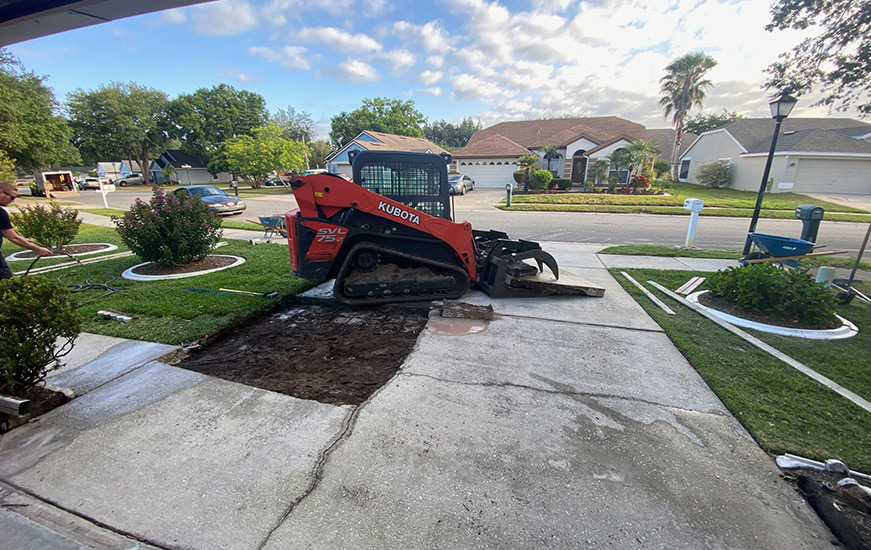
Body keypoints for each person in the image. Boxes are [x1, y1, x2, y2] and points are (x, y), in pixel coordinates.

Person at [0, 181, 53, 279]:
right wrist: (37, 249)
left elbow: (5, 232)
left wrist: (22, 239)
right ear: (1, 193)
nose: (12, 201)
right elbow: (13, 237)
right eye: (12, 197)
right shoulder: (1, 213)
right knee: (7, 282)